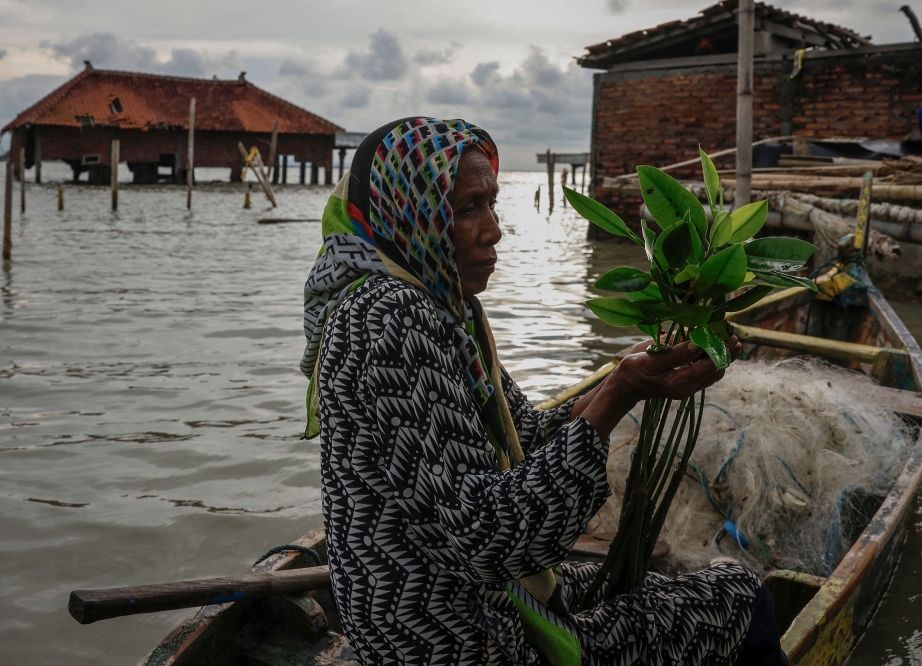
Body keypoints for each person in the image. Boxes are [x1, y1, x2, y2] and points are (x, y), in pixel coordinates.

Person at [300, 117, 786, 666]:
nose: (493, 229)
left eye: (491, 204)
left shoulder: (446, 309)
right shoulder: (388, 316)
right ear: (408, 214)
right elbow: (493, 540)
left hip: (474, 597)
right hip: (449, 638)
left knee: (641, 585)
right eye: (466, 209)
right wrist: (620, 393)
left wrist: (627, 379)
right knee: (741, 597)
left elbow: (525, 438)